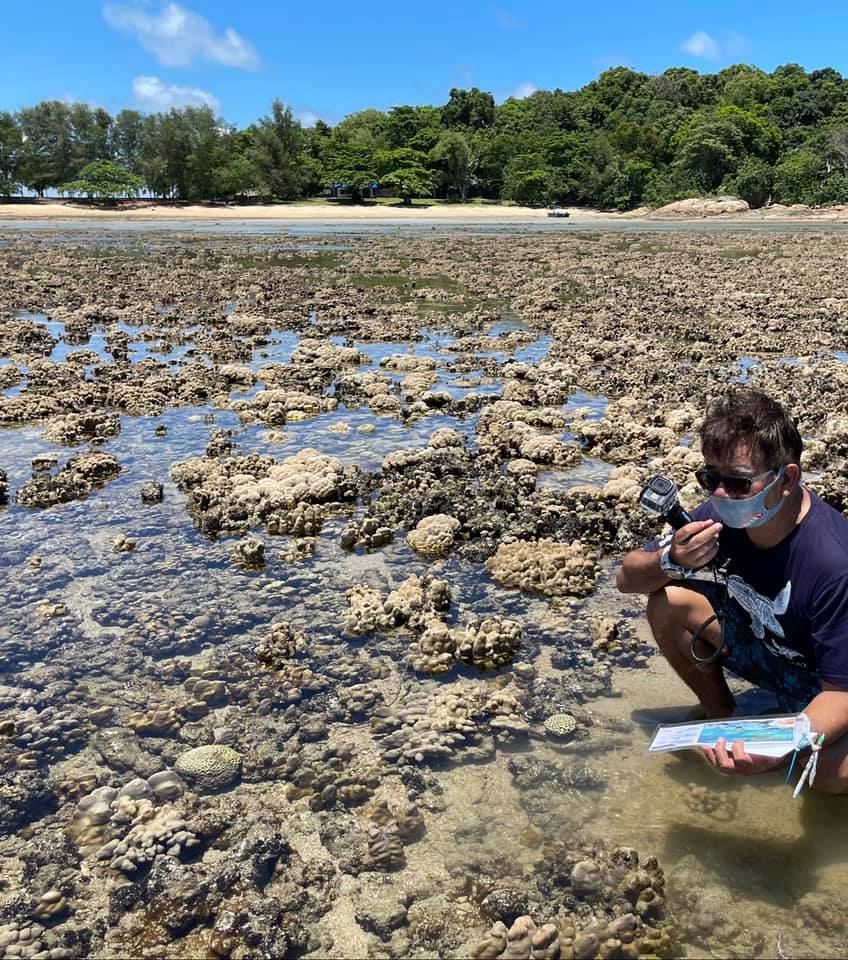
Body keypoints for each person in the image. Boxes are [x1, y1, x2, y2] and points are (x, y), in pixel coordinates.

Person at [616, 388, 848, 793]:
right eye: (711, 479)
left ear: (787, 478)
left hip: (829, 683)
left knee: (823, 773)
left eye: (738, 484)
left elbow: (842, 693)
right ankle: (720, 713)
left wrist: (774, 752)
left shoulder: (834, 563)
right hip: (771, 650)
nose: (721, 495)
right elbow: (627, 579)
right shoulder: (718, 518)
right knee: (667, 600)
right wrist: (671, 561)